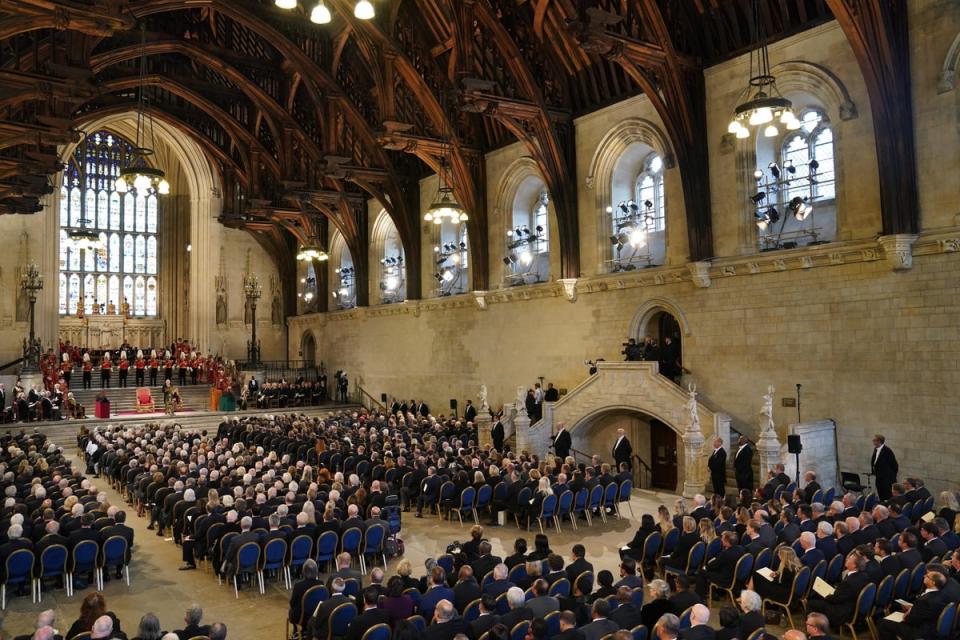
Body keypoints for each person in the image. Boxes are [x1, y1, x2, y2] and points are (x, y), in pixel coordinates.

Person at [807, 552, 872, 629]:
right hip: (851, 605)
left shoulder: (848, 582)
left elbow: (836, 600)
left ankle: (814, 629)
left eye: (849, 559)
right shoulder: (864, 575)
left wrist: (826, 595)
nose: (846, 559)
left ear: (854, 565)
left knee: (811, 603)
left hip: (841, 611)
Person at [877, 570, 947, 640]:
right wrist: (913, 609)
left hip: (919, 632)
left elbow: (912, 620)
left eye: (927, 576)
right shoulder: (941, 594)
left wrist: (906, 615)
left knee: (883, 623)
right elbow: (924, 611)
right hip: (930, 627)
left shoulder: (924, 600)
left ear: (933, 582)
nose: (924, 576)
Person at [288, 560, 322, 626]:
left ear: (303, 572)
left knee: (291, 610)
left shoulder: (298, 586)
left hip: (302, 617)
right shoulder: (320, 584)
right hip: (316, 615)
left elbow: (292, 603)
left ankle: (296, 632)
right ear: (316, 571)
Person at [870, 435, 898, 501]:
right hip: (879, 478)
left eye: (874, 440)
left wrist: (890, 477)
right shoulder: (876, 449)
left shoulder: (887, 451)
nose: (873, 441)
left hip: (887, 480)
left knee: (887, 496)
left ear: (879, 441)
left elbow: (895, 465)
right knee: (881, 495)